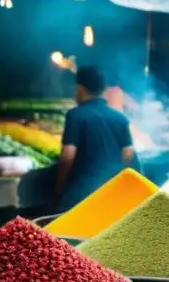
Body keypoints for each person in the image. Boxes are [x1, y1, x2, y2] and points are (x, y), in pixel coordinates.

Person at [55, 66, 138, 211]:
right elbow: (128, 154)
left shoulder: (75, 115)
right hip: (111, 192)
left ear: (80, 88)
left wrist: (60, 182)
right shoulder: (120, 118)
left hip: (81, 193)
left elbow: (68, 155)